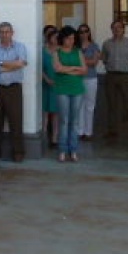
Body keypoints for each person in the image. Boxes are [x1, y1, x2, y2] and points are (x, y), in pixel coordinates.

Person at [100, 19, 128, 143]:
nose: (117, 29)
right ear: (111, 29)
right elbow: (104, 59)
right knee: (112, 104)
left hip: (126, 77)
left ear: (124, 29)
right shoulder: (106, 43)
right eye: (114, 27)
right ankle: (113, 130)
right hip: (111, 76)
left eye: (119, 27)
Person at [0, 21, 28, 162]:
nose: (4, 34)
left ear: (12, 33)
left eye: (7, 32)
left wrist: (0, 63)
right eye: (1, 32)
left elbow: (21, 64)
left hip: (14, 88)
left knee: (16, 121)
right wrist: (12, 65)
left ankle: (18, 153)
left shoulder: (20, 47)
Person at [52, 25, 87, 162]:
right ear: (63, 39)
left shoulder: (78, 52)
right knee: (64, 120)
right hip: (62, 89)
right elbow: (57, 68)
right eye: (68, 38)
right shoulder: (57, 52)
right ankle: (62, 150)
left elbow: (84, 70)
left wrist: (67, 69)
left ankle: (73, 150)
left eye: (73, 38)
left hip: (77, 88)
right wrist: (74, 68)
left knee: (75, 121)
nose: (71, 41)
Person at [76, 24, 102, 141]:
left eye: (85, 31)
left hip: (91, 78)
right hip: (77, 78)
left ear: (89, 32)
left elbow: (94, 62)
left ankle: (88, 132)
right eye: (81, 32)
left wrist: (80, 61)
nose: (83, 34)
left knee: (90, 105)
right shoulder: (75, 46)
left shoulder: (94, 46)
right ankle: (80, 131)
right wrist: (86, 61)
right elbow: (73, 61)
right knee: (79, 105)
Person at [40, 25, 60, 149]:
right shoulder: (43, 51)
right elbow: (39, 68)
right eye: (54, 37)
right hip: (45, 84)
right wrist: (47, 79)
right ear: (49, 38)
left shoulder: (61, 51)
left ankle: (55, 138)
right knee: (45, 112)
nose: (56, 39)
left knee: (56, 113)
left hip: (58, 84)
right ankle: (43, 136)